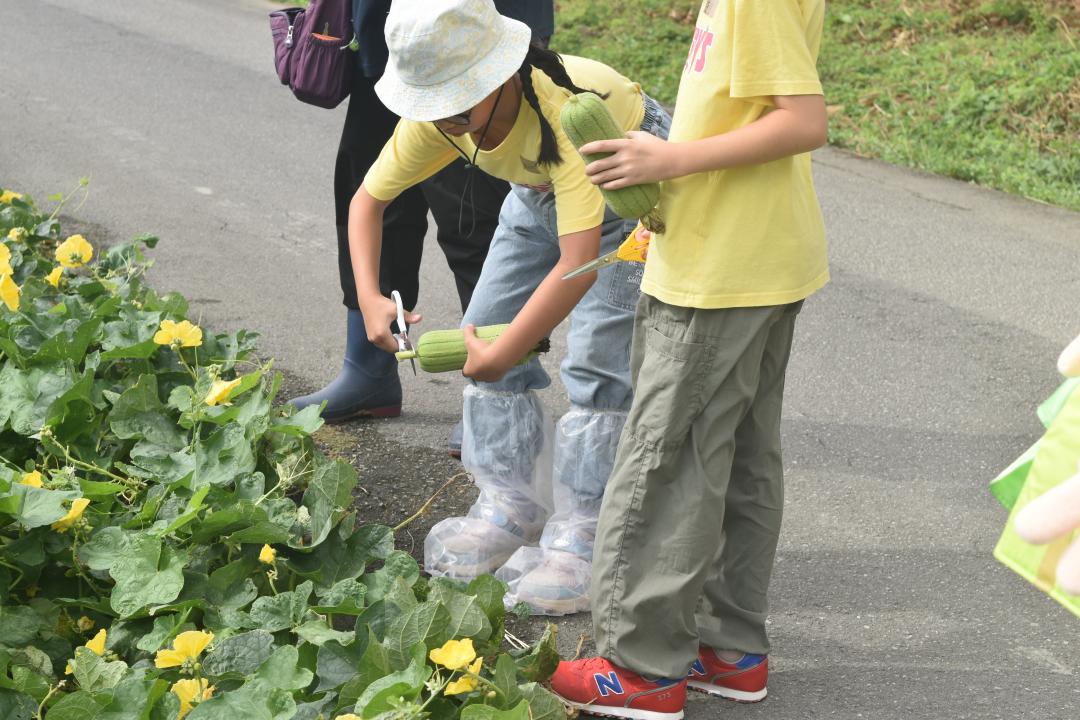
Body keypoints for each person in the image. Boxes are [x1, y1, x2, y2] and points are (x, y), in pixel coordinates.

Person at [547, 0, 830, 717]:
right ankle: (729, 650)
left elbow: (803, 121)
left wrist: (667, 158)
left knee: (663, 464)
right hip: (756, 254)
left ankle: (639, 670)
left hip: (721, 269)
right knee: (737, 458)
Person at [349, 0, 671, 616]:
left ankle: (585, 533)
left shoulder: (566, 107)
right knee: (484, 323)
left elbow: (578, 262)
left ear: (501, 78)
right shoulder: (444, 118)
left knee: (600, 366)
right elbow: (369, 203)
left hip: (625, 190)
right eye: (436, 113)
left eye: (460, 110)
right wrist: (370, 296)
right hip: (539, 190)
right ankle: (510, 504)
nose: (451, 127)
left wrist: (506, 351)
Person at [289, 0, 554, 452]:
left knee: (473, 214)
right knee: (370, 181)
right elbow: (366, 203)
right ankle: (367, 365)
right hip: (390, 38)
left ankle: (502, 393)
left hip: (465, 46)